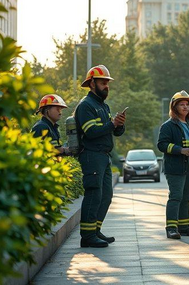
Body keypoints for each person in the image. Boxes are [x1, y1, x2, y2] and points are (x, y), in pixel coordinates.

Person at [75, 65, 126, 248]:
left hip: (104, 156)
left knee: (106, 196)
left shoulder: (103, 106)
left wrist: (119, 125)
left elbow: (112, 132)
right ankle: (87, 236)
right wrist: (112, 124)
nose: (106, 86)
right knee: (94, 194)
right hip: (91, 155)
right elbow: (90, 132)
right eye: (103, 82)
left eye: (107, 83)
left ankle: (95, 231)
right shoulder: (86, 105)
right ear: (91, 83)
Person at [158, 90, 189, 239]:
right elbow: (162, 145)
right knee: (176, 196)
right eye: (181, 104)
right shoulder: (168, 126)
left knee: (187, 197)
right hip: (175, 167)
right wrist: (179, 150)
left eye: (187, 104)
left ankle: (183, 226)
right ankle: (171, 228)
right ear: (174, 107)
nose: (185, 107)